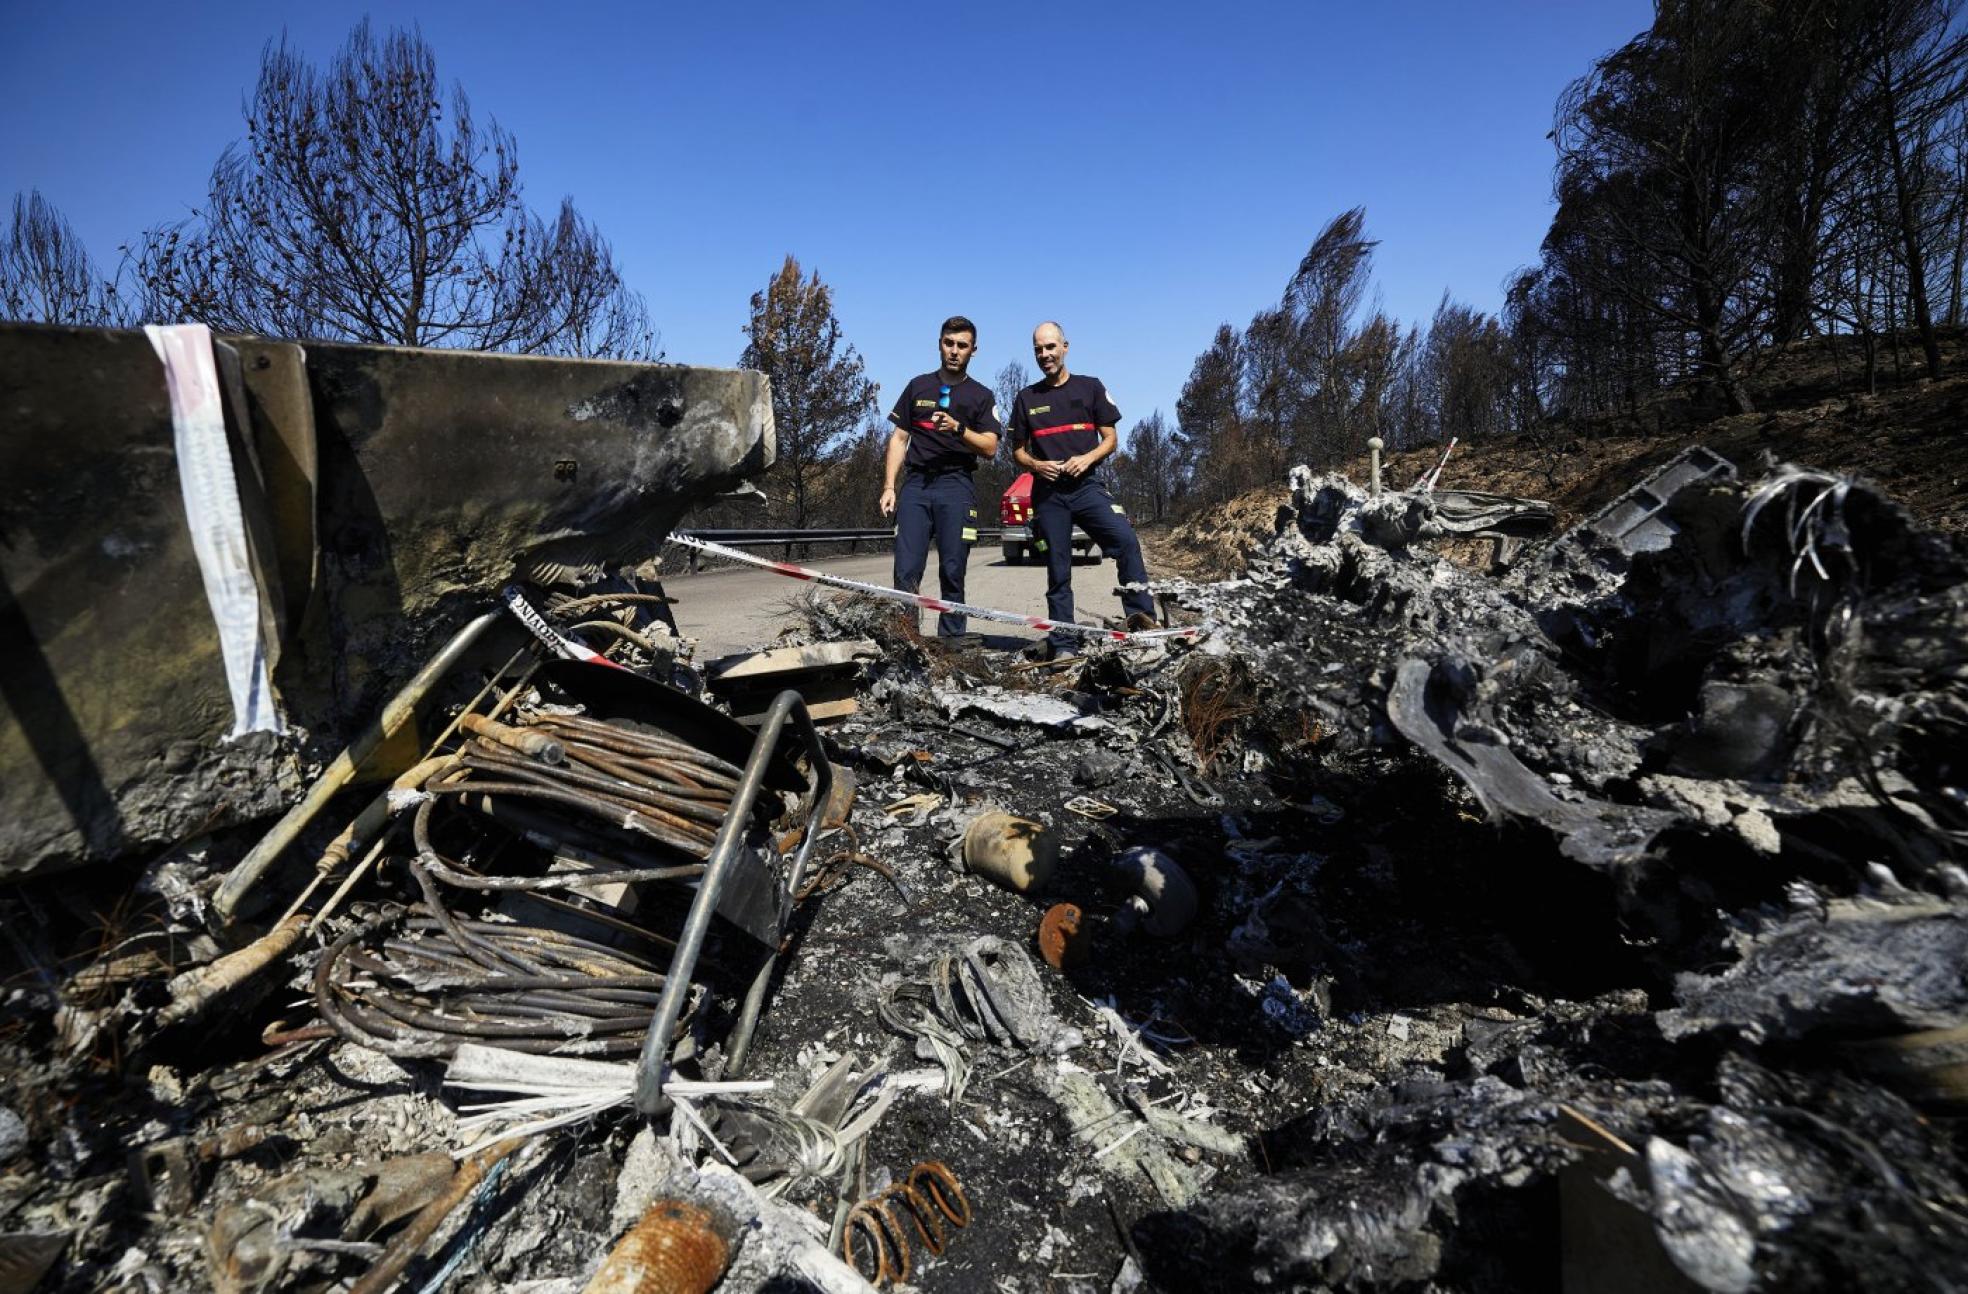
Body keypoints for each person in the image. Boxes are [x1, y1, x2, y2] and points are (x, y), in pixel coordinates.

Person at [1008, 321, 1157, 660]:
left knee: (1126, 541)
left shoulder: (1090, 387)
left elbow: (1111, 440)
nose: (1045, 354)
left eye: (1050, 347)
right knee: (1058, 569)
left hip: (1087, 487)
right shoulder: (1026, 398)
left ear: (1065, 347)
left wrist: (1086, 458)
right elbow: (1017, 452)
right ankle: (1064, 644)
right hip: (1048, 494)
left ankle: (1142, 623)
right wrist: (1036, 465)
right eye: (1038, 349)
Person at [880, 316, 1002, 638]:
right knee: (905, 572)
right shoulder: (917, 386)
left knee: (952, 572)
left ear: (973, 350)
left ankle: (952, 644)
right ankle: (906, 641)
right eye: (949, 343)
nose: (954, 351)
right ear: (939, 344)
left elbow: (991, 448)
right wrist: (889, 486)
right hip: (916, 486)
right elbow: (899, 439)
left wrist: (959, 429)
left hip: (956, 486)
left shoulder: (981, 395)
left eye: (962, 345)